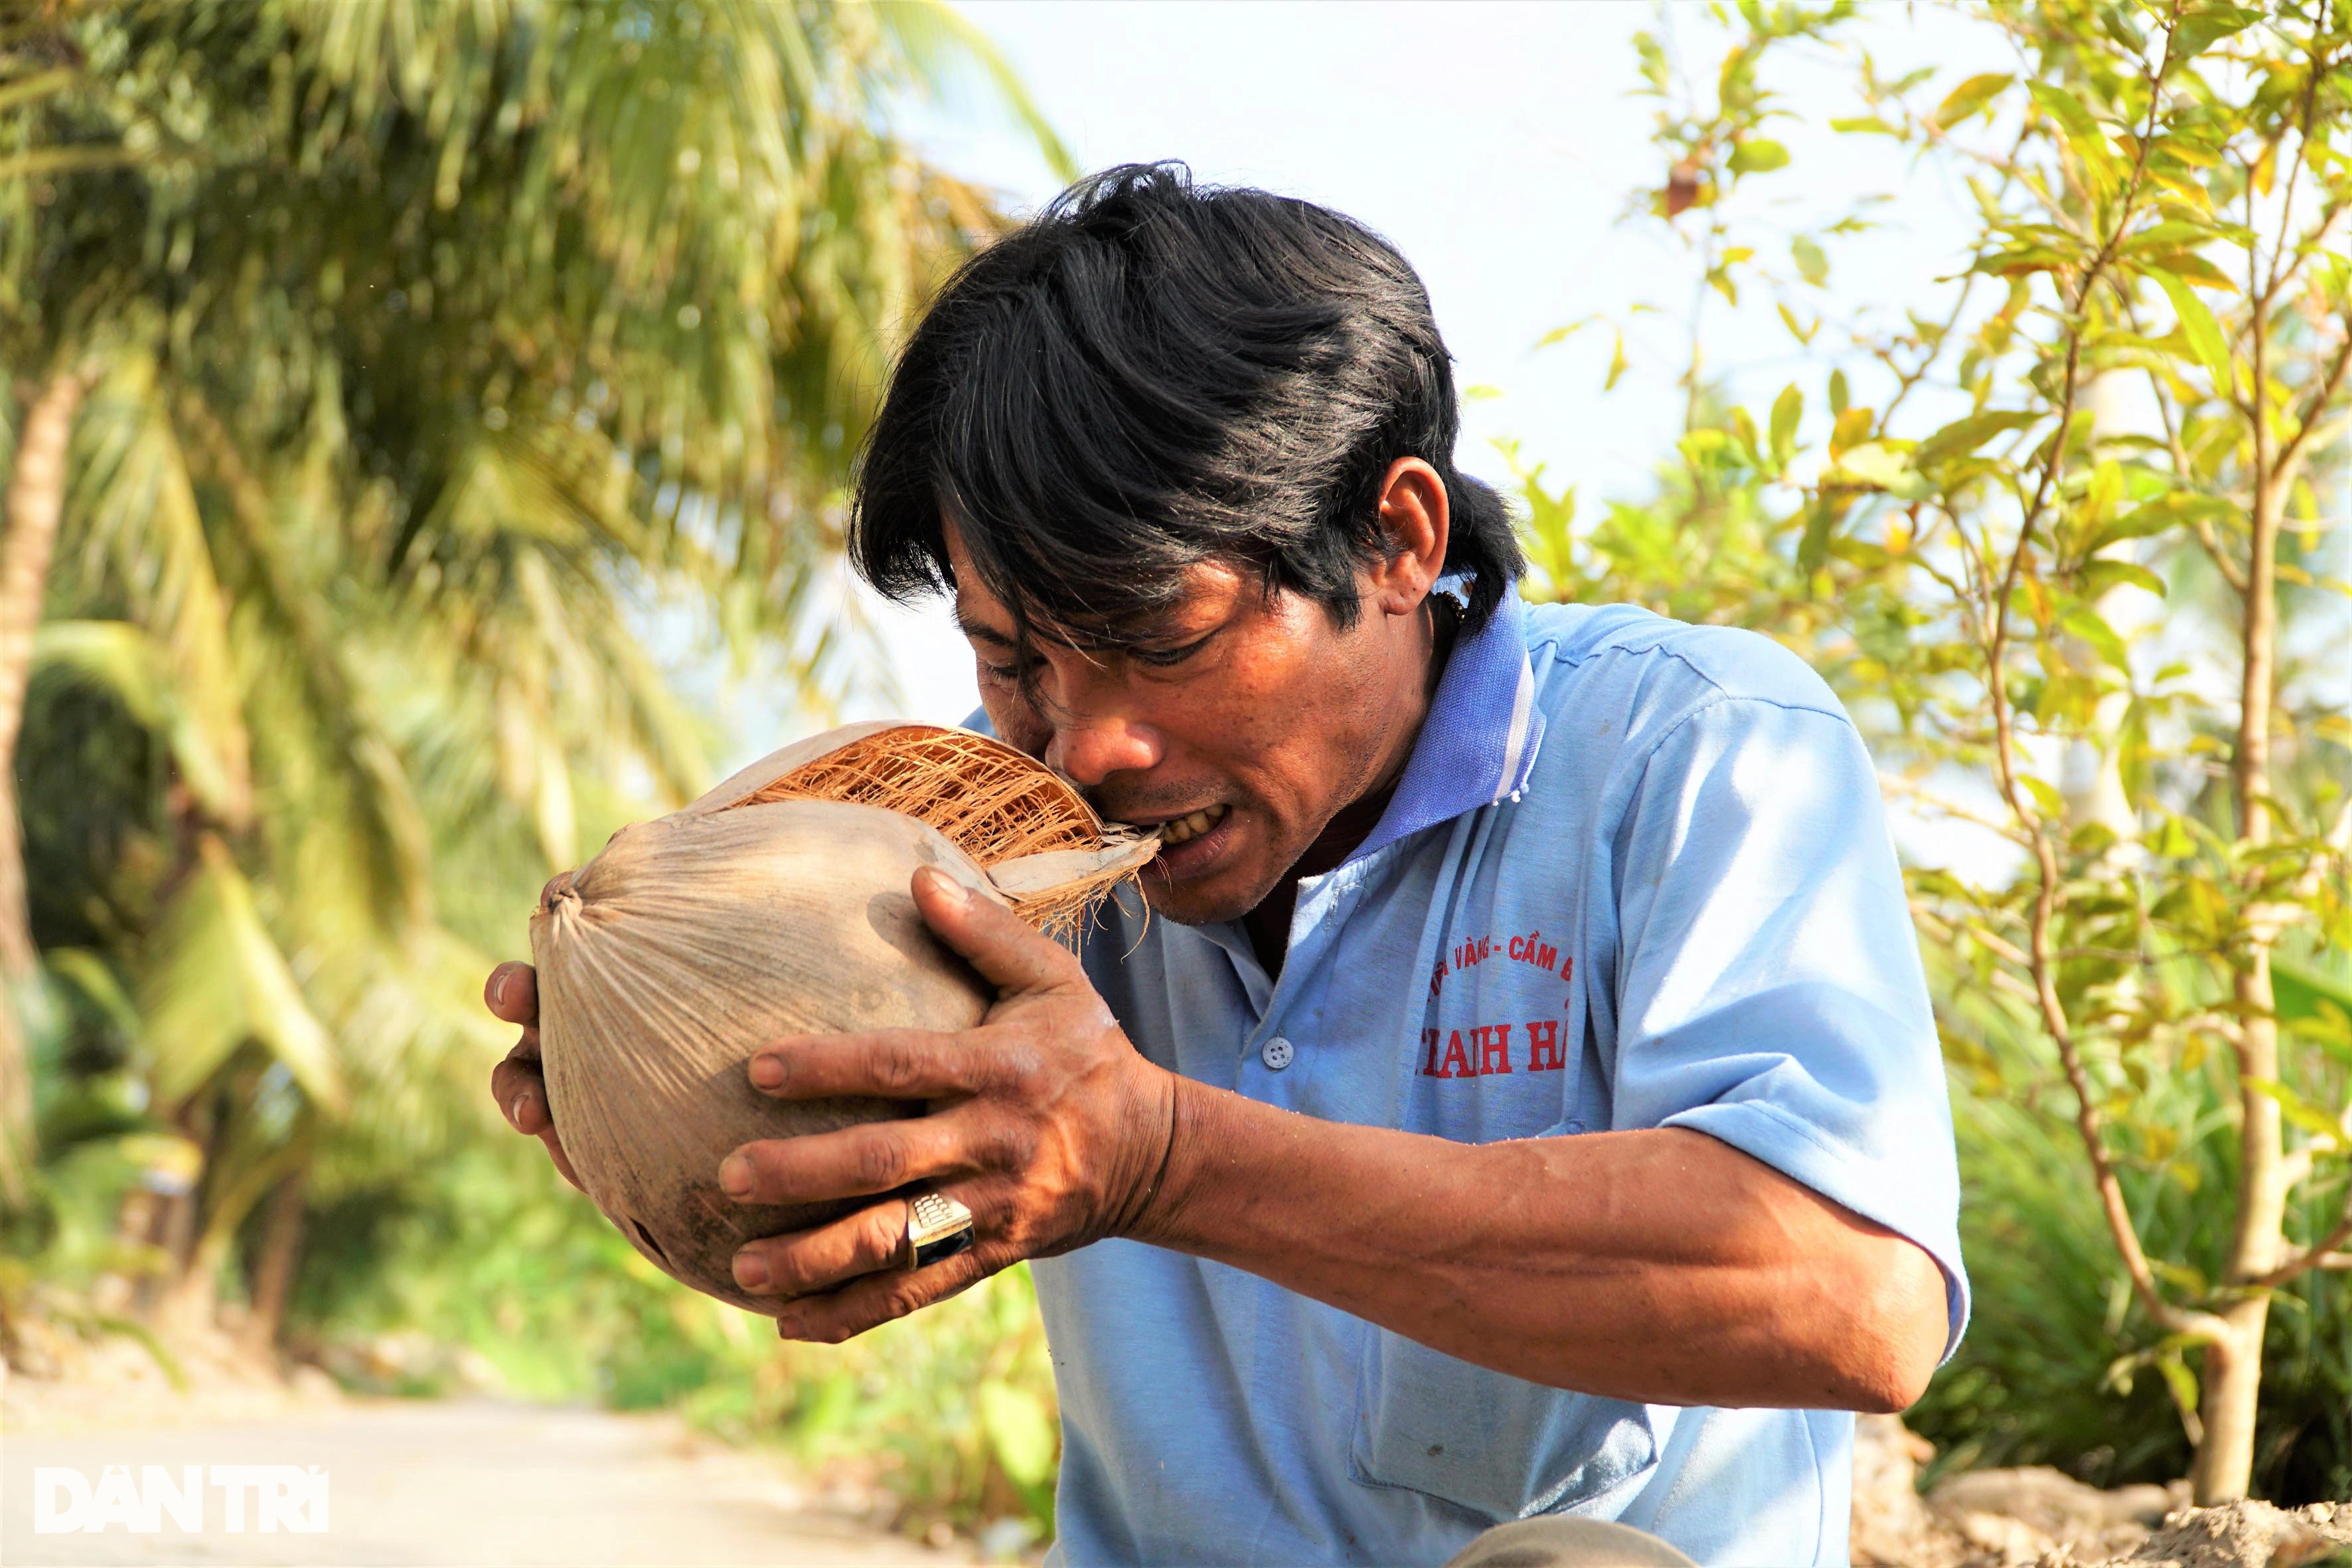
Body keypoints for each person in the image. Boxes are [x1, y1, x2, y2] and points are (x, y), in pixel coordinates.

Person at [486, 164, 1966, 1567]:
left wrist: (1160, 1158)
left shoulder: (1689, 753)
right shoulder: (979, 843)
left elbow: (1854, 1294)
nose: (1089, 748)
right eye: (1014, 662)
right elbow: (814, 1141)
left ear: (1395, 539)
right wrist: (668, 1091)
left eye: (1166, 643)